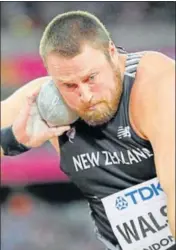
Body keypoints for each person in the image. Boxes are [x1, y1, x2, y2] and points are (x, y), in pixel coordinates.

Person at [1, 11, 175, 250]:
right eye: (69, 85)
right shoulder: (45, 102)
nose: (85, 95)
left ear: (112, 53)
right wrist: (12, 139)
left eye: (91, 77)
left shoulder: (157, 85)